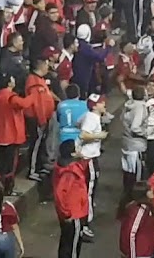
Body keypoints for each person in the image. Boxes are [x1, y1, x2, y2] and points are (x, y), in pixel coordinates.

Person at [0, 72, 36, 195]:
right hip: (11, 135)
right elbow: (25, 103)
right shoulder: (11, 98)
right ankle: (8, 189)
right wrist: (34, 95)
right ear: (9, 83)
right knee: (10, 164)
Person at [78, 93, 110, 238]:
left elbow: (77, 123)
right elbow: (83, 135)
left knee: (88, 191)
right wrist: (99, 136)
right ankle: (85, 224)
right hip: (88, 159)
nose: (104, 104)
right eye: (102, 103)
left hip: (87, 158)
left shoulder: (89, 116)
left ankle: (84, 219)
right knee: (88, 192)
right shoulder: (92, 117)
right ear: (95, 105)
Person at [53, 139, 91, 258]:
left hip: (74, 212)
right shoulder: (69, 172)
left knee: (66, 242)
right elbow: (60, 193)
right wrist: (67, 213)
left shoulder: (70, 167)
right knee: (72, 245)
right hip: (73, 214)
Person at [119, 183, 154, 258]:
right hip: (140, 253)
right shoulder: (139, 210)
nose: (153, 191)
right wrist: (133, 255)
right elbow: (131, 232)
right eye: (150, 190)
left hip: (145, 250)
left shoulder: (145, 208)